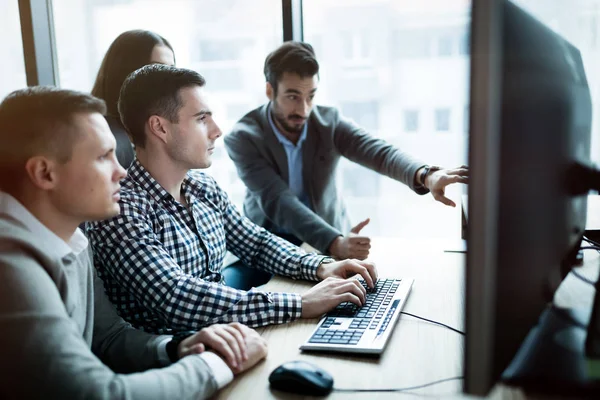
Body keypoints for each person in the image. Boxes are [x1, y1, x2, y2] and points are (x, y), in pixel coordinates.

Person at [0, 86, 267, 399]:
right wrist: (216, 364)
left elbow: (109, 337)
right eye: (103, 157)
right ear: (45, 173)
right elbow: (98, 394)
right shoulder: (10, 265)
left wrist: (179, 348)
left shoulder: (71, 237)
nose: (122, 172)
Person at [87, 64, 378, 335]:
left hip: (233, 341)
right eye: (202, 119)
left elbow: (255, 243)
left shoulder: (202, 186)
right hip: (179, 365)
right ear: (160, 128)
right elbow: (175, 298)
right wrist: (301, 303)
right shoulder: (121, 208)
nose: (217, 130)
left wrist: (321, 266)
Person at [224, 41, 469, 260]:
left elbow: (380, 153)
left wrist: (426, 175)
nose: (304, 109)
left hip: (329, 242)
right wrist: (334, 243)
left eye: (311, 96)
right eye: (292, 97)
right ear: (269, 91)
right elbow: (278, 199)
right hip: (273, 244)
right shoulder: (244, 138)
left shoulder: (328, 123)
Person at [91, 29, 176, 168]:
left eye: (171, 70)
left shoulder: (158, 125)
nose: (167, 79)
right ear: (125, 71)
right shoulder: (102, 134)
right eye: (156, 68)